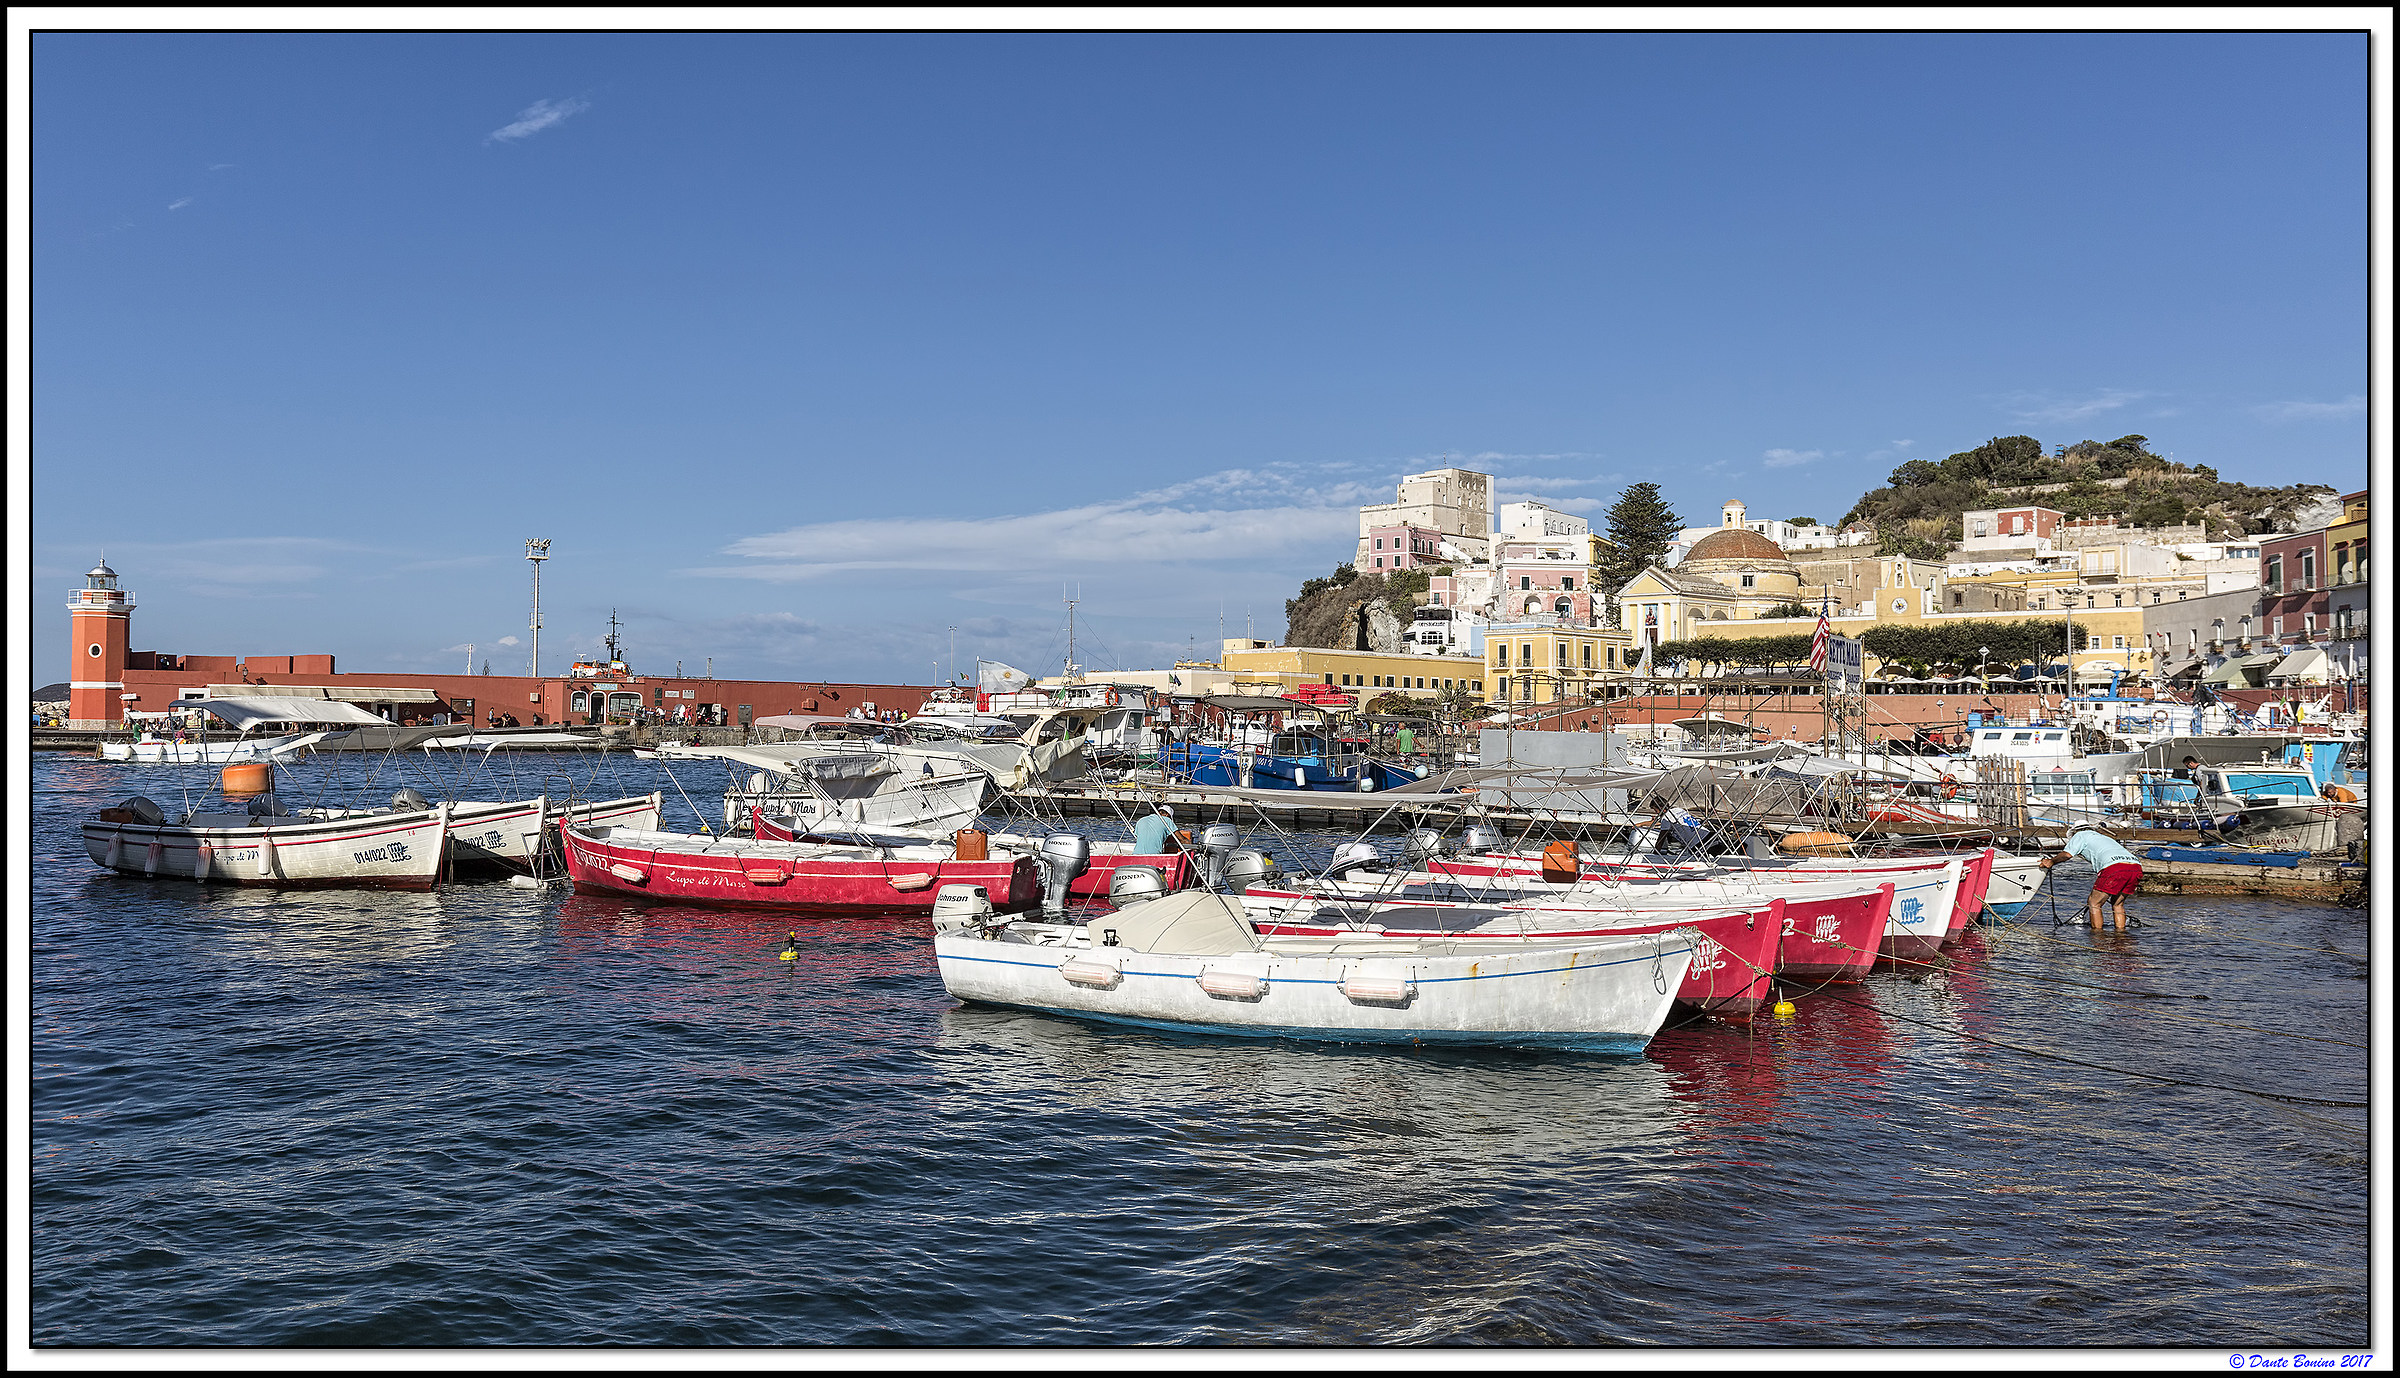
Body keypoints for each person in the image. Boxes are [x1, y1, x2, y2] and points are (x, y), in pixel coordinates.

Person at [2042, 826, 2143, 932]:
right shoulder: (2103, 837)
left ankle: (2097, 935)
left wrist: (2051, 861)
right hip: (2136, 867)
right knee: (2117, 904)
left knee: (2094, 903)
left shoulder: (2080, 835)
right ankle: (2120, 934)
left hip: (2115, 867)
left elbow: (2067, 854)